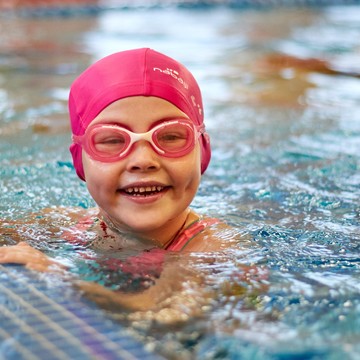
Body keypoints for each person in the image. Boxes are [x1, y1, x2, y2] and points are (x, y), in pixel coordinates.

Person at [0, 48, 255, 317]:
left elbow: (163, 314)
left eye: (170, 137)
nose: (143, 160)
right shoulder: (75, 225)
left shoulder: (213, 249)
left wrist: (57, 275)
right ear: (79, 162)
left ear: (203, 152)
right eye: (112, 140)